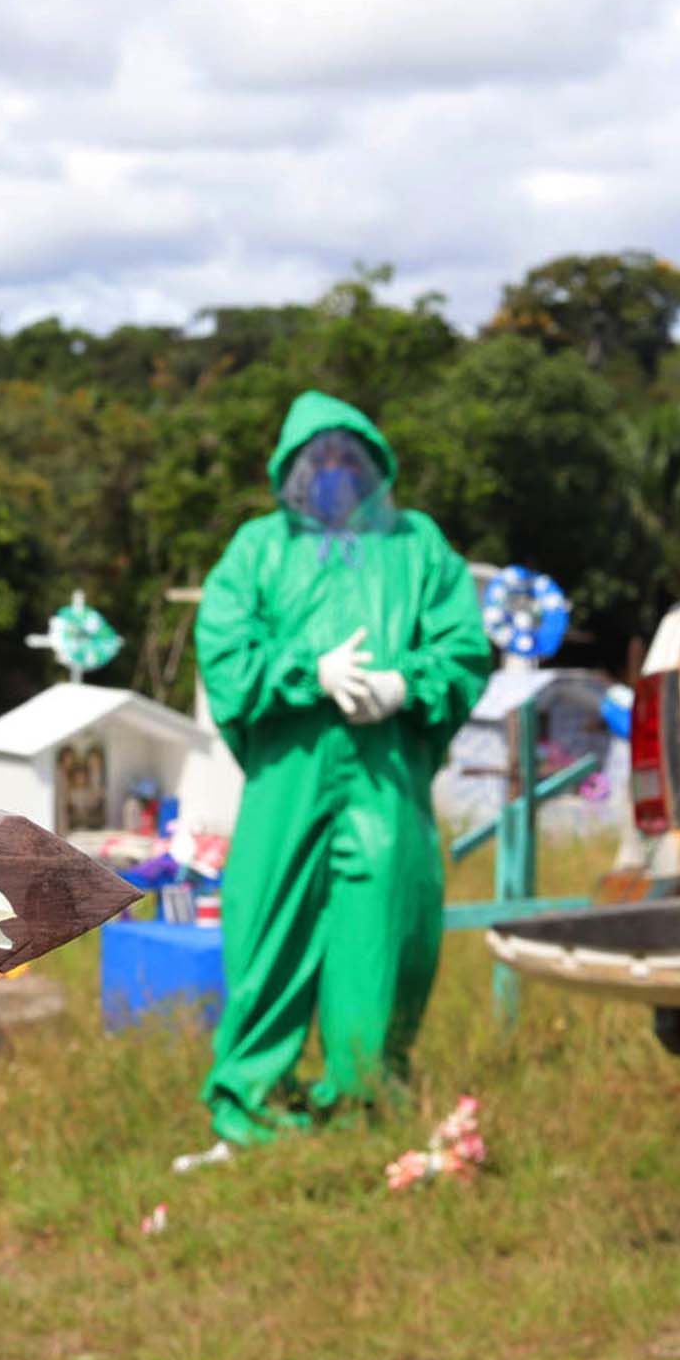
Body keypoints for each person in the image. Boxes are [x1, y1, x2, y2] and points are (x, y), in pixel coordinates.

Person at [183, 391, 493, 1164]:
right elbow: (223, 646)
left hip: (384, 778)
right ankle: (252, 1108)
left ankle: (365, 1106)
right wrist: (303, 672)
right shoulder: (257, 549)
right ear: (287, 467)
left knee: (381, 934)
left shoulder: (418, 547)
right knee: (267, 934)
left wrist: (407, 685)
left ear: (375, 464)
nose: (331, 472)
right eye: (313, 458)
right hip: (289, 777)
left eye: (347, 456)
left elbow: (462, 647)